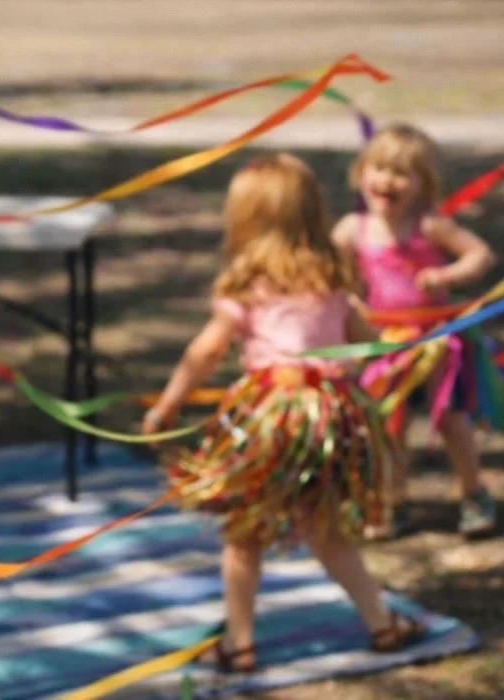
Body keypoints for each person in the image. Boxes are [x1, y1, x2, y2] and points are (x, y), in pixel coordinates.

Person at [142, 153, 426, 672]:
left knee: (244, 535)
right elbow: (367, 348)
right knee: (326, 531)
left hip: (273, 420)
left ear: (247, 220)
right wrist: (403, 348)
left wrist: (167, 404)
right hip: (329, 419)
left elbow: (206, 353)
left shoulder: (248, 284)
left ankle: (241, 644)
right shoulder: (332, 280)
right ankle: (382, 625)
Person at [333, 124, 498, 539]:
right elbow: (334, 274)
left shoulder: (430, 225)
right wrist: (346, 299)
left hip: (437, 344)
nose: (387, 181)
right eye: (380, 169)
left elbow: (481, 254)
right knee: (390, 425)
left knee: (451, 421)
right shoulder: (353, 229)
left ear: (424, 185)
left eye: (401, 173)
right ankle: (392, 500)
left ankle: (474, 492)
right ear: (361, 172)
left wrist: (447, 273)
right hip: (385, 344)